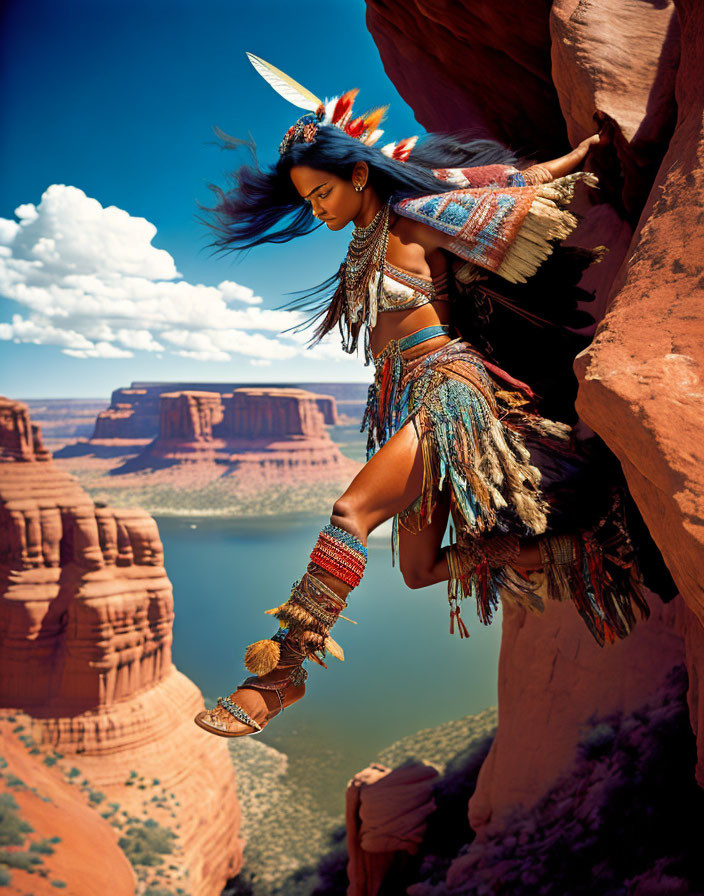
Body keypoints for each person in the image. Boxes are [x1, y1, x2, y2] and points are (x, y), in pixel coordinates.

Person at [193, 55, 653, 738]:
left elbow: (500, 190)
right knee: (417, 569)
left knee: (351, 510)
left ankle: (281, 675)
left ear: (357, 175)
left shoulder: (413, 220)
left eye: (322, 193)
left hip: (448, 393)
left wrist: (575, 158)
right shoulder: (363, 241)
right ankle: (587, 548)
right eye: (306, 200)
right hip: (410, 402)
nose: (316, 209)